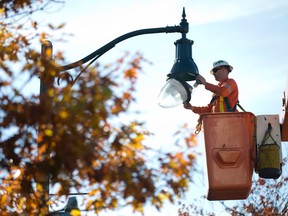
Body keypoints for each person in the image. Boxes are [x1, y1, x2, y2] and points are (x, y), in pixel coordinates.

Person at [183, 60, 239, 132]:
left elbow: (223, 92)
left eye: (215, 70)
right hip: (219, 126)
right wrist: (192, 108)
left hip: (230, 123)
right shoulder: (216, 92)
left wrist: (205, 83)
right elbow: (209, 110)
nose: (213, 74)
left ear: (224, 70)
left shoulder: (231, 82)